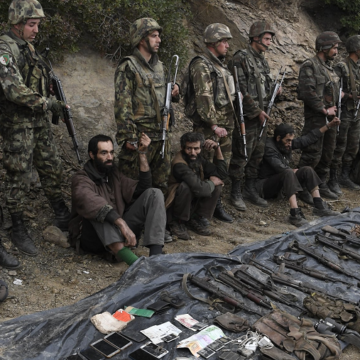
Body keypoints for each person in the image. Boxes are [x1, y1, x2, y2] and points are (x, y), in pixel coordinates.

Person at [0, 0, 71, 259]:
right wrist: (48, 103)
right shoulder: (5, 48)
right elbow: (13, 89)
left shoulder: (28, 47)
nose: (36, 30)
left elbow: (32, 79)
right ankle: (17, 225)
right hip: (17, 123)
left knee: (52, 165)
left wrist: (47, 90)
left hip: (37, 120)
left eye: (38, 25)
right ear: (17, 24)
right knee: (18, 174)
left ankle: (61, 212)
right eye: (32, 25)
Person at [69, 134, 165, 266]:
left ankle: (156, 258)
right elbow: (89, 201)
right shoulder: (81, 178)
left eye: (111, 152)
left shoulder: (113, 173)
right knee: (99, 213)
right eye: (104, 153)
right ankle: (136, 264)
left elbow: (141, 189)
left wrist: (142, 154)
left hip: (118, 231)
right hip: (94, 239)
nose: (109, 157)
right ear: (92, 155)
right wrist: (121, 224)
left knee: (154, 193)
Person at [114, 17, 179, 194]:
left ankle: (156, 220)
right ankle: (128, 221)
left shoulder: (161, 67)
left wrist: (174, 91)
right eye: (154, 36)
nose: (159, 40)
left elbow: (164, 97)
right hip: (141, 137)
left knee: (160, 184)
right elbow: (122, 105)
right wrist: (129, 137)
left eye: (159, 36)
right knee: (131, 185)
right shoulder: (128, 67)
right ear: (142, 39)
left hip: (162, 135)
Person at [184, 23, 239, 223]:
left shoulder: (220, 64)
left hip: (225, 125)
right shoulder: (201, 64)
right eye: (224, 41)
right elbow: (203, 97)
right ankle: (199, 211)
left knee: (221, 165)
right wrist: (213, 125)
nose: (227, 45)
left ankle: (216, 205)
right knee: (203, 167)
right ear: (214, 42)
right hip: (210, 127)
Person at [227, 20, 279, 211]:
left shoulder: (262, 60)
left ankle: (250, 188)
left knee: (257, 154)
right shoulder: (240, 58)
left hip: (262, 115)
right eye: (266, 39)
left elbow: (262, 86)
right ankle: (235, 191)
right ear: (255, 38)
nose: (269, 43)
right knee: (242, 153)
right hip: (248, 117)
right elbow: (239, 89)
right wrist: (256, 111)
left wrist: (275, 91)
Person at [258, 121, 340, 227]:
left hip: (282, 182)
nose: (290, 144)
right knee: (288, 172)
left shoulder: (286, 144)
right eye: (288, 141)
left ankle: (319, 206)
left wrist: (327, 126)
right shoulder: (269, 147)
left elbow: (305, 140)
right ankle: (294, 214)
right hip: (265, 186)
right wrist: (292, 171)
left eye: (291, 141)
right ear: (278, 138)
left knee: (307, 170)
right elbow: (278, 166)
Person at [297, 31, 343, 200]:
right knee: (312, 153)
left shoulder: (329, 69)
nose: (336, 52)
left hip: (331, 118)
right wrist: (324, 109)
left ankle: (320, 183)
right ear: (324, 47)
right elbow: (307, 92)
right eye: (334, 48)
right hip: (316, 118)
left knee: (327, 153)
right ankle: (301, 187)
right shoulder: (310, 65)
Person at [165, 132, 227, 240]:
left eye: (196, 148)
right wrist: (212, 182)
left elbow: (222, 174)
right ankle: (177, 222)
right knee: (186, 187)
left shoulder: (198, 158)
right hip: (175, 205)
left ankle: (196, 218)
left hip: (192, 202)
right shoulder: (179, 164)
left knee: (217, 185)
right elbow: (200, 189)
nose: (193, 152)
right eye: (189, 148)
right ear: (182, 147)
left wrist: (217, 149)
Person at [329, 35, 360, 193]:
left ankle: (344, 175)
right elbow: (334, 89)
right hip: (344, 111)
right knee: (340, 145)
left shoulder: (358, 67)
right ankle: (333, 178)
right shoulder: (342, 66)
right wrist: (350, 96)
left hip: (356, 112)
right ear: (356, 49)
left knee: (353, 145)